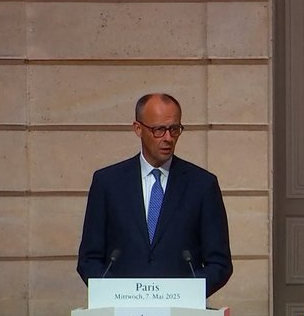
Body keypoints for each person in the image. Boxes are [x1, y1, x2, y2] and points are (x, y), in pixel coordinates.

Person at [77, 93, 233, 296]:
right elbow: (89, 259)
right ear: (138, 129)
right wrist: (116, 293)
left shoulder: (202, 185)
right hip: (121, 312)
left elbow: (219, 262)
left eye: (174, 129)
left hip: (182, 313)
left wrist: (184, 293)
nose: (168, 138)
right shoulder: (108, 183)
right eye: (159, 130)